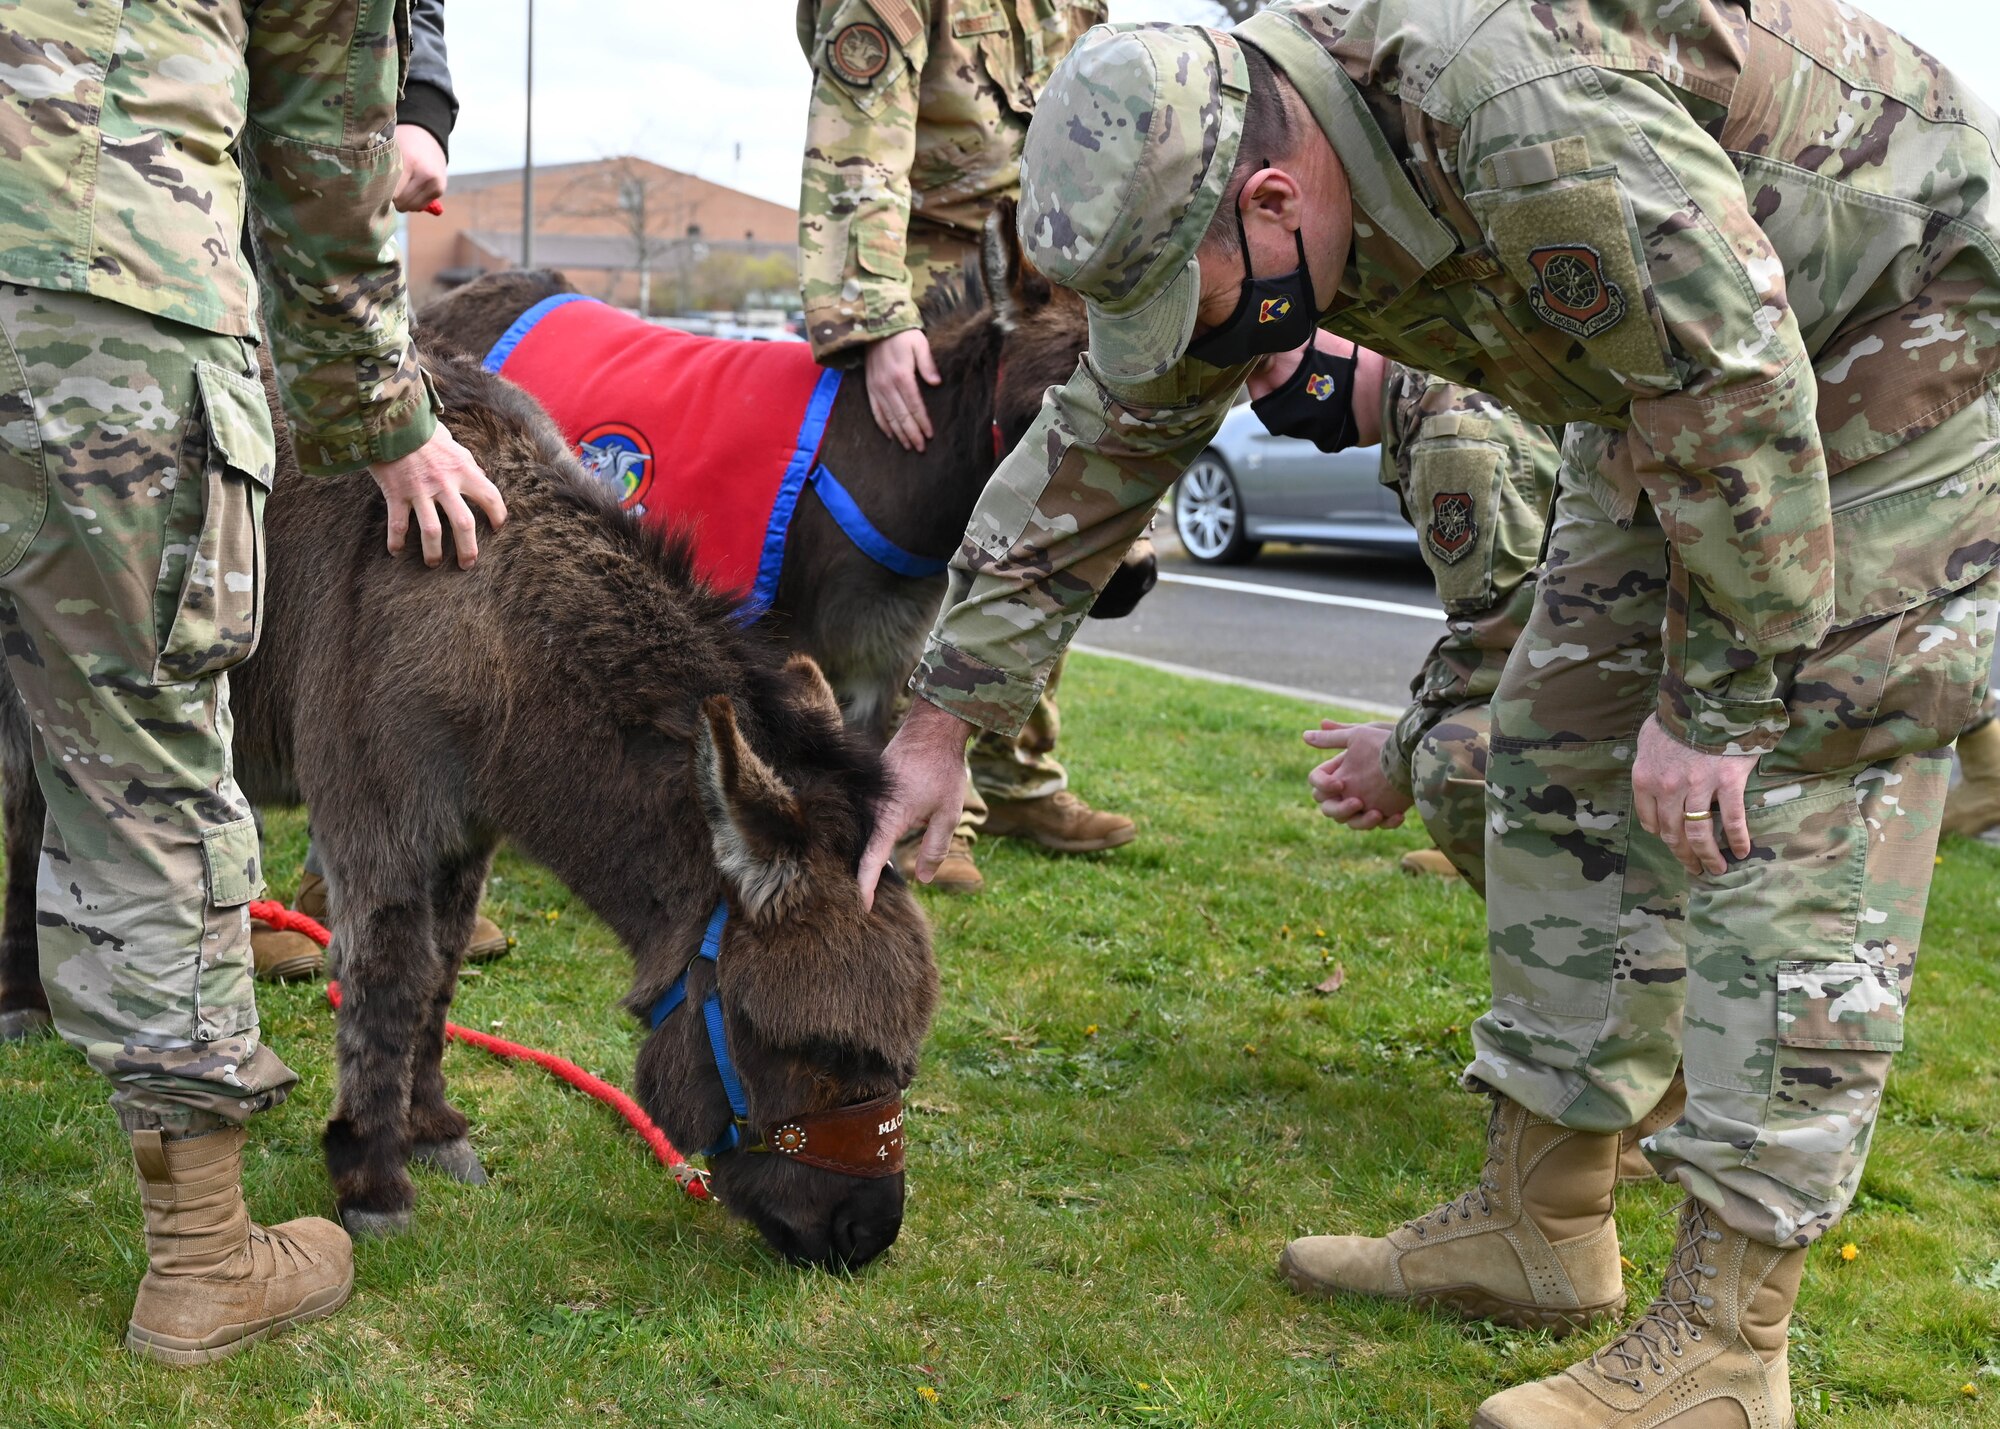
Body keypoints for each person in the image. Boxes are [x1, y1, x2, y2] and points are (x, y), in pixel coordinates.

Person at [859, 4, 2000, 1422]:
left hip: (1879, 323)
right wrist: (939, 722)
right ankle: (1544, 1221)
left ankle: (1727, 1347)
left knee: (1793, 773)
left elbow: (1736, 375)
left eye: (1194, 297)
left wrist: (1721, 698)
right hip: (1663, 371)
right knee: (1554, 741)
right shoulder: (1233, 180)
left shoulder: (1519, 113)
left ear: (1274, 196)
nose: (1199, 341)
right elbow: (1110, 435)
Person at [0, 0, 505, 1363]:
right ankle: (204, 1259)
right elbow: (323, 138)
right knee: (146, 782)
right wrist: (379, 418)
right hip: (95, 303)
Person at [1298, 357, 1684, 1185]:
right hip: (1660, 676)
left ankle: (1654, 1082)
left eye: (1269, 367)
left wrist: (1396, 756)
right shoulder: (1428, 407)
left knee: (1452, 766)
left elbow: (1504, 635)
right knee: (1449, 747)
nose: (1263, 400)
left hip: (1680, 700)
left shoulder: (1450, 434)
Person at [797, 0, 1135, 894]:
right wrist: (873, 313)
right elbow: (854, 128)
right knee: (935, 556)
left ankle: (1018, 773)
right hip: (933, 289)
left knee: (1047, 525)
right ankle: (919, 802)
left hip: (1051, 285)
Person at [245, 0, 514, 982]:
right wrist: (389, 423)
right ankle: (212, 892)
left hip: (339, 164)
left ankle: (333, 874)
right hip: (205, 175)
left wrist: (421, 108)